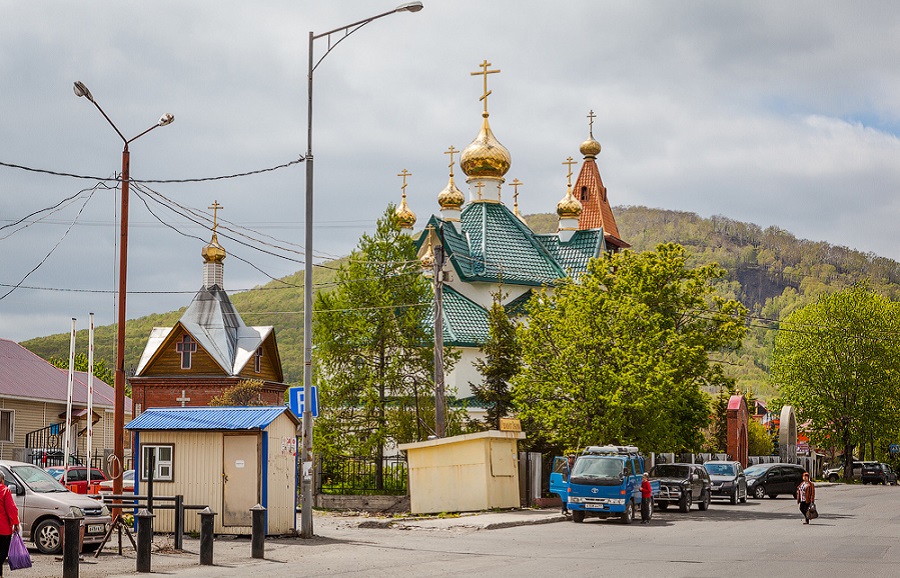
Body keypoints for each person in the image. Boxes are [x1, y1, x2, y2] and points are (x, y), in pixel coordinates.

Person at [0, 471, 21, 576]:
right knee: (3, 552)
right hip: (3, 530)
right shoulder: (5, 490)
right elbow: (11, 509)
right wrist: (16, 523)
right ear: (2, 480)